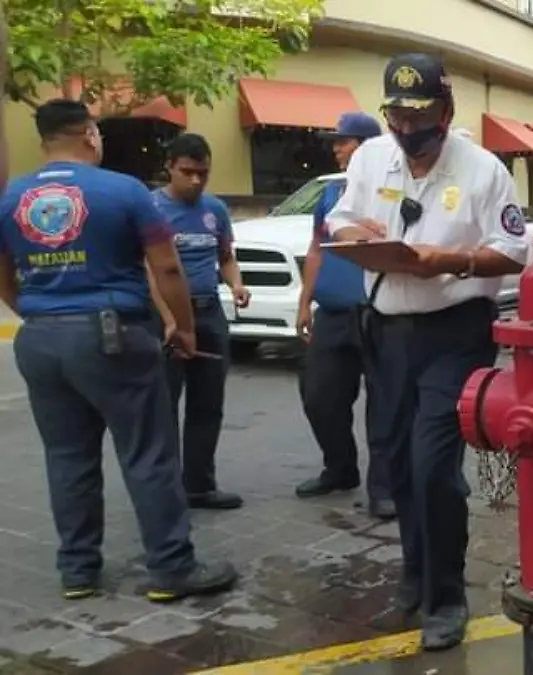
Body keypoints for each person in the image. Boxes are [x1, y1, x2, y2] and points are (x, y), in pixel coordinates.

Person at [326, 52, 528, 651]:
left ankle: (447, 598)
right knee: (398, 470)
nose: (409, 130)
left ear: (447, 109)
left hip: (455, 332)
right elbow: (340, 218)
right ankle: (413, 577)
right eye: (397, 117)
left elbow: (514, 251)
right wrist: (352, 236)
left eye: (421, 116)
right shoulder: (369, 158)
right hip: (387, 332)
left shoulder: (484, 171)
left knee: (435, 467)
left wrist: (452, 260)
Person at [0, 99, 237, 601]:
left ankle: (79, 571)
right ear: (89, 133)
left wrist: (39, 311)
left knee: (67, 456)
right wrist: (185, 328)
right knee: (148, 453)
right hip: (112, 333)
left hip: (42, 336)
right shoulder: (124, 191)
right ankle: (171, 568)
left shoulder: (11, 196)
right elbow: (167, 268)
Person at [294, 112, 395, 520]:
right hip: (333, 313)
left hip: (380, 311)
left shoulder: (390, 189)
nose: (336, 148)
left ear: (368, 147)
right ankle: (339, 468)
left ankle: (384, 487)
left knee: (384, 405)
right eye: (335, 142)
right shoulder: (331, 194)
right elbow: (316, 249)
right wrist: (305, 301)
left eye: (345, 141)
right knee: (319, 396)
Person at [151, 133, 248, 510]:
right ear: (170, 168)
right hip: (167, 316)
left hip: (209, 313)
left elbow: (225, 257)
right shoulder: (149, 208)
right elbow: (145, 271)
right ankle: (164, 491)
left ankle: (199, 486)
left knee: (208, 405)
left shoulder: (215, 211)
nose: (195, 181)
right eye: (187, 172)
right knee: (163, 406)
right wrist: (166, 320)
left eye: (202, 173)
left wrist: (236, 284)